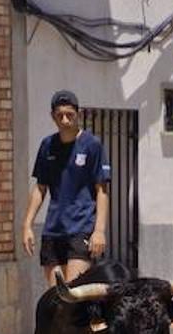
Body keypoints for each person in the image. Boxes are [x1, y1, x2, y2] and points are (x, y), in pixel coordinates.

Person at [22, 90, 111, 285]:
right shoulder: (47, 146)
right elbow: (40, 188)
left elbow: (102, 191)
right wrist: (27, 225)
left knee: (73, 293)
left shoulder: (92, 145)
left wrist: (99, 231)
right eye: (59, 115)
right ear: (53, 116)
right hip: (53, 230)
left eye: (69, 114)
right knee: (56, 297)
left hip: (81, 228)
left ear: (78, 114)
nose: (64, 120)